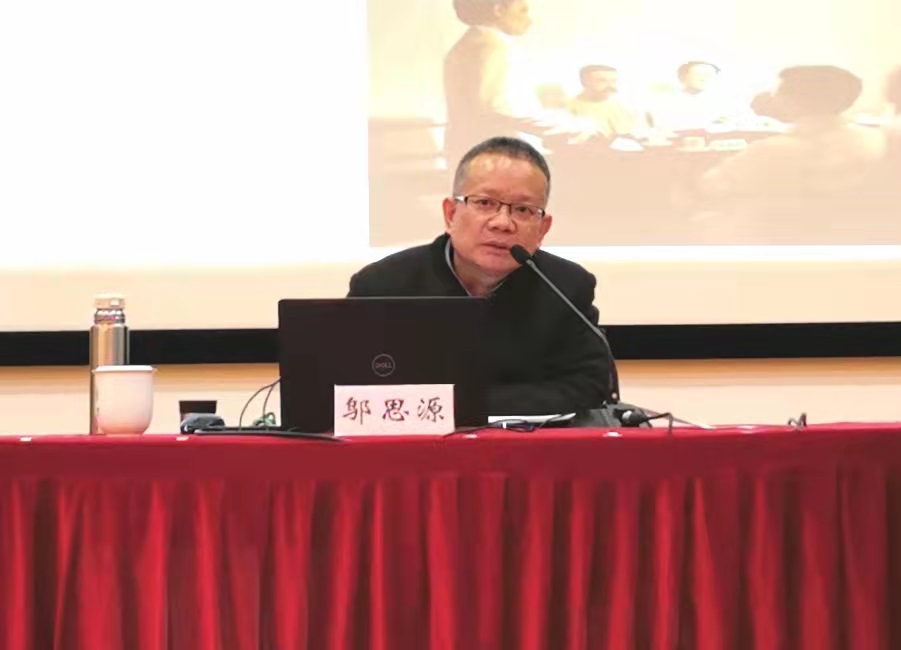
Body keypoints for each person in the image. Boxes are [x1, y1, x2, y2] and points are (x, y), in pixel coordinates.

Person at [347, 136, 612, 416]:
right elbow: (350, 388)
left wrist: (461, 404)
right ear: (451, 214)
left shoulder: (566, 287)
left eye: (523, 210)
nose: (502, 223)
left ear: (542, 229)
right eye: (485, 203)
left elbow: (588, 387)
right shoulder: (382, 286)